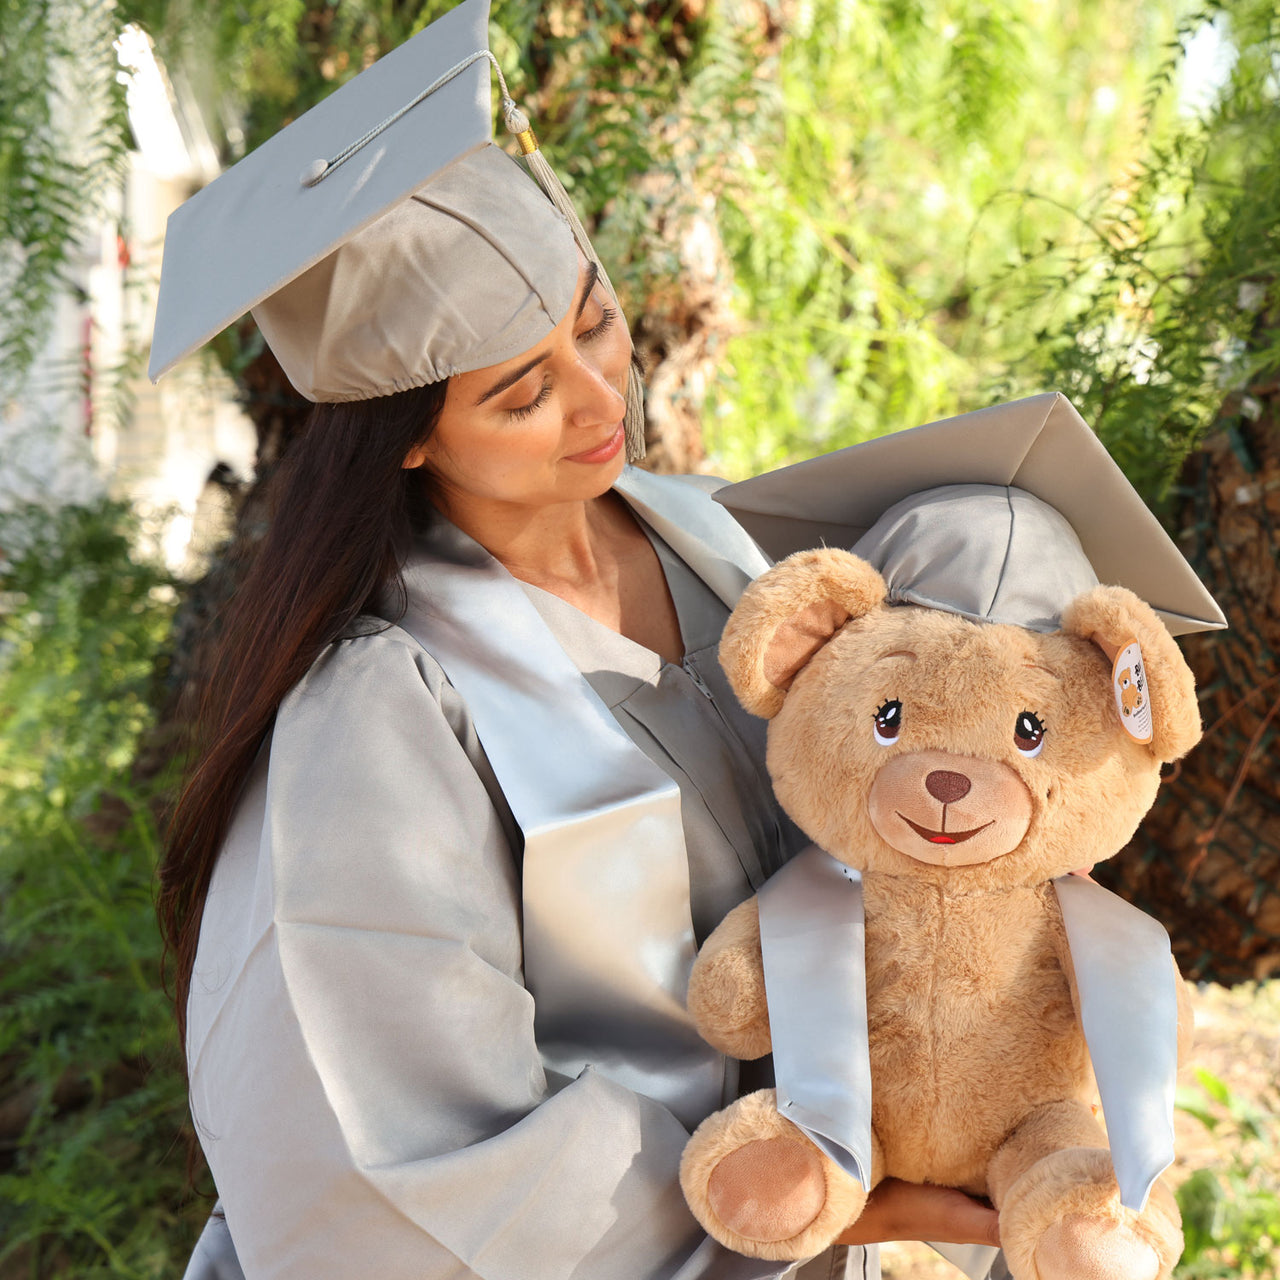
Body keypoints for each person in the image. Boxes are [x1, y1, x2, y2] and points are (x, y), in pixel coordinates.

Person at [150, 2, 1004, 1276]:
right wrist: (810, 1201)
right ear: (410, 437)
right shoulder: (378, 717)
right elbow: (385, 1150)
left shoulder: (728, 547)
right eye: (521, 390)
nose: (601, 399)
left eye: (593, 322)